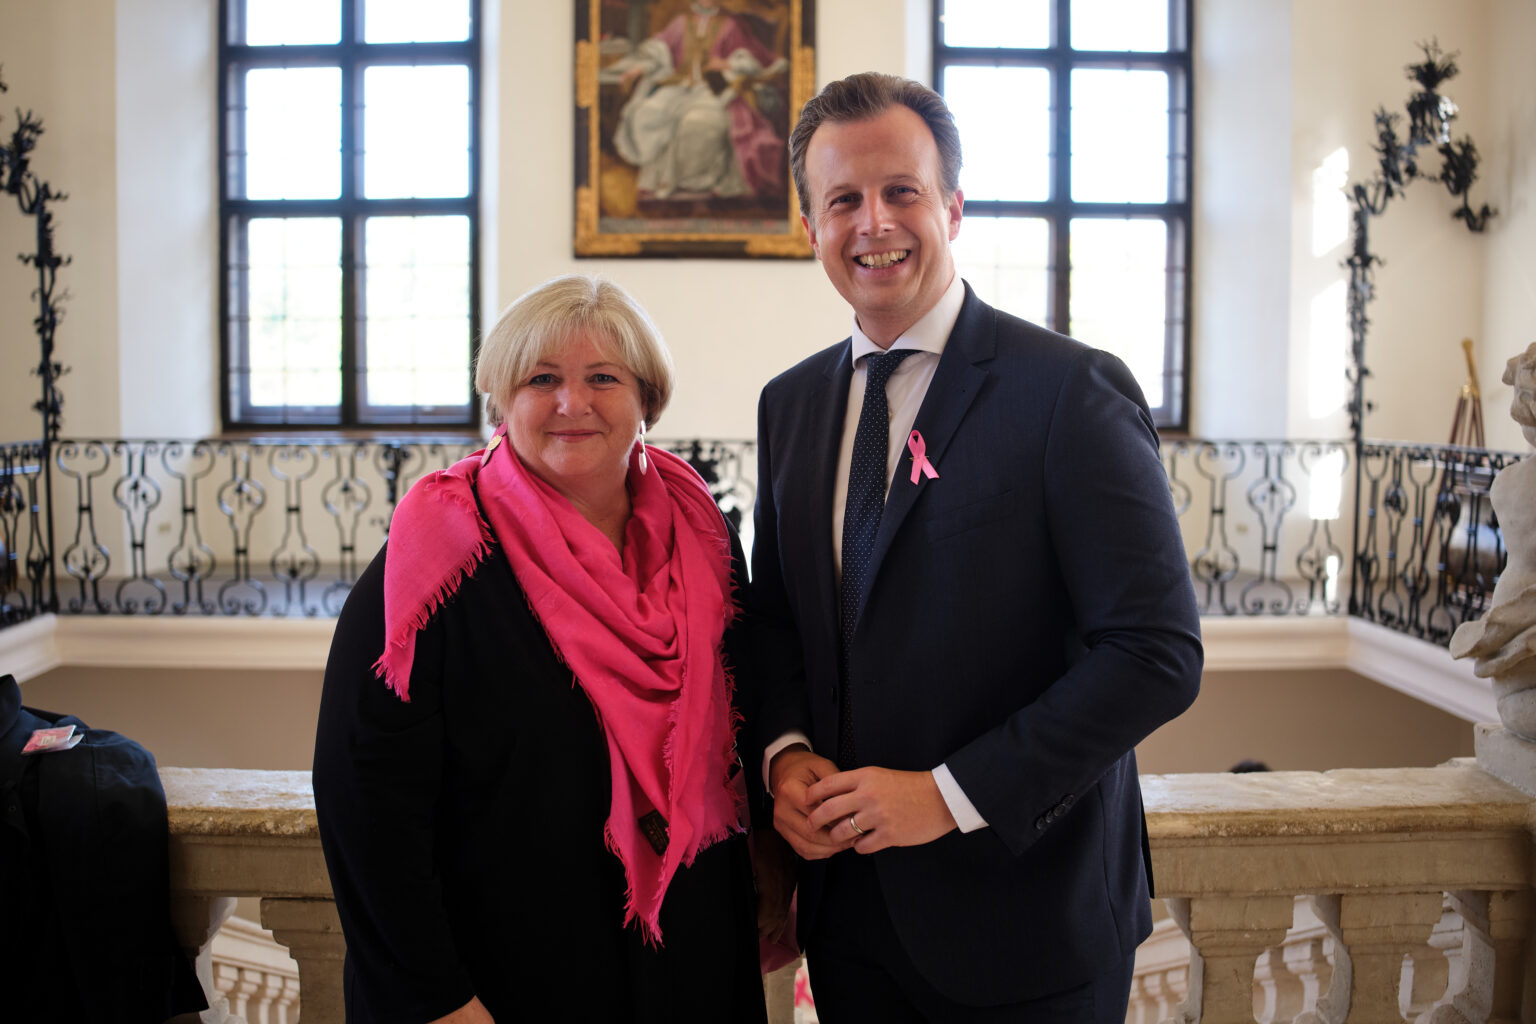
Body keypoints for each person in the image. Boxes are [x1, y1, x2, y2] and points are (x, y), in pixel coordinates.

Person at [750, 72, 1204, 1022]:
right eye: (843, 200)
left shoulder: (1069, 391)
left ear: (953, 206)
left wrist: (947, 795)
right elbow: (780, 624)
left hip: (1027, 927)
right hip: (850, 923)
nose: (874, 222)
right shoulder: (789, 405)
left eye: (901, 191)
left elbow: (1154, 653)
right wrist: (785, 755)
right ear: (809, 226)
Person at [313, 275, 768, 1024]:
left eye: (603, 379)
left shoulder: (707, 539)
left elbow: (748, 723)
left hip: (692, 958)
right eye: (542, 380)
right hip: (500, 979)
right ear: (502, 401)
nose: (572, 403)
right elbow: (365, 799)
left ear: (648, 400)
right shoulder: (438, 561)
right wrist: (437, 998)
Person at [609, 0, 789, 201]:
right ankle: (659, 180)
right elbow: (659, 52)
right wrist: (640, 68)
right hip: (679, 86)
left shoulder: (730, 25)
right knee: (648, 113)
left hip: (711, 90)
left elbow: (749, 59)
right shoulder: (681, 22)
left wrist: (726, 63)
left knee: (699, 124)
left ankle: (695, 184)